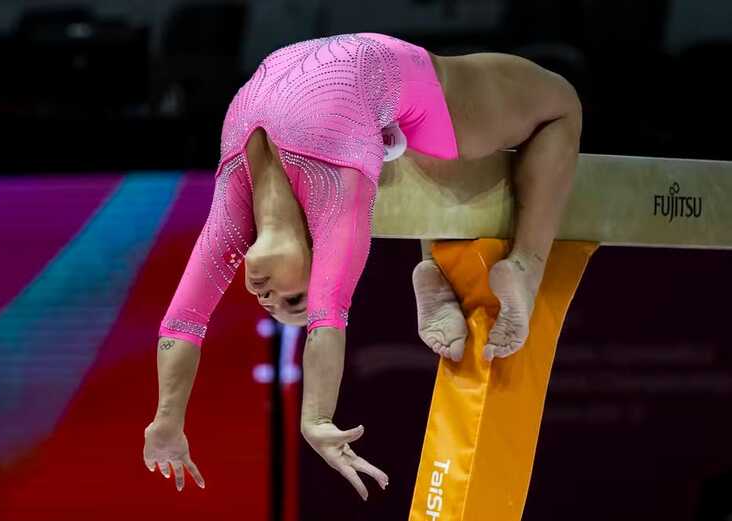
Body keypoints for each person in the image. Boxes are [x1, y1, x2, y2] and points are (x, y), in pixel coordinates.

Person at [143, 33, 582, 500]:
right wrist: (315, 418)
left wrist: (167, 420)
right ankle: (501, 267)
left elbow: (182, 324)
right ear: (320, 253)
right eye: (293, 301)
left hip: (359, 82)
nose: (265, 299)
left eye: (280, 303)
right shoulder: (336, 204)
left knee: (535, 113)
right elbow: (326, 319)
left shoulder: (233, 218)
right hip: (363, 76)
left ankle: (484, 267)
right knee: (560, 105)